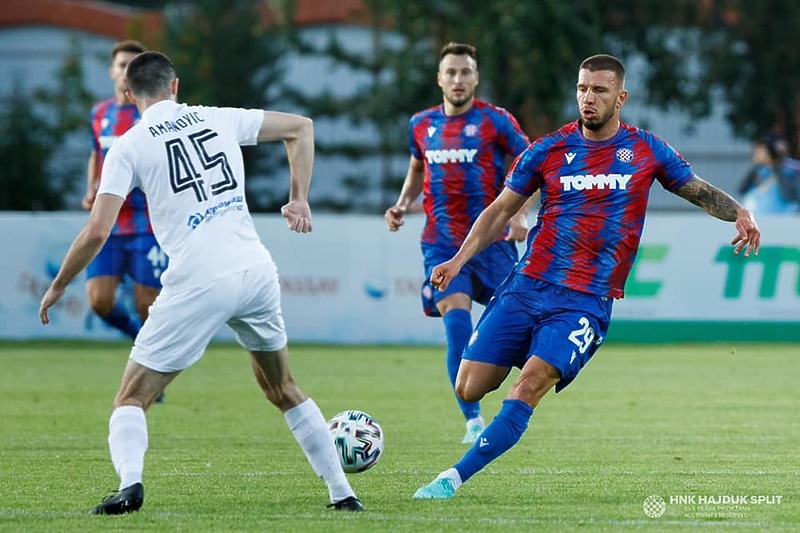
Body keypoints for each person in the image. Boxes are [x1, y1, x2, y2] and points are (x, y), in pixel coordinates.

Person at [412, 53, 761, 499]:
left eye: (599, 90)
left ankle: (451, 479)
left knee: (530, 384)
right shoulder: (549, 149)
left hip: (584, 301)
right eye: (582, 88)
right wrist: (458, 261)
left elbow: (696, 189)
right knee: (469, 385)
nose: (588, 98)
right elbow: (501, 210)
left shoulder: (645, 150)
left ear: (621, 96)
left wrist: (740, 212)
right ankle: (524, 351)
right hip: (527, 286)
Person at [40, 51, 363, 514]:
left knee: (131, 397)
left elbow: (96, 230)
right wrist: (299, 200)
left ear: (130, 96)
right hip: (254, 270)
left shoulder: (127, 145)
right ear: (175, 86)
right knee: (283, 387)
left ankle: (130, 486)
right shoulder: (218, 118)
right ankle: (342, 493)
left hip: (199, 279)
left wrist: (58, 285)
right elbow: (301, 127)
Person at [385, 42, 534, 445]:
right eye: (450, 72)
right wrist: (402, 204)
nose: (457, 79)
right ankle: (472, 420)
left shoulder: (495, 121)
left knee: (513, 325)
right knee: (456, 323)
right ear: (439, 78)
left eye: (465, 71)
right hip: (441, 245)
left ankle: (521, 393)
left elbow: (531, 165)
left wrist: (520, 214)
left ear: (476, 77)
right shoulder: (422, 125)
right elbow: (417, 167)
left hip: (493, 242)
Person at [85, 41, 168, 401]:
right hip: (111, 223)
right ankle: (140, 341)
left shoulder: (150, 114)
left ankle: (152, 373)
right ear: (112, 70)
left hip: (148, 222)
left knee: (146, 304)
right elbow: (96, 153)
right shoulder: (99, 113)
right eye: (121, 64)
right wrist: (92, 186)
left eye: (132, 64)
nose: (125, 70)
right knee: (99, 301)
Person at [738, 133, 800, 214]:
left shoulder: (788, 171)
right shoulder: (758, 172)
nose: (756, 153)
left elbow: (791, 195)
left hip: (782, 220)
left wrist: (777, 164)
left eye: (760, 149)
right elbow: (742, 189)